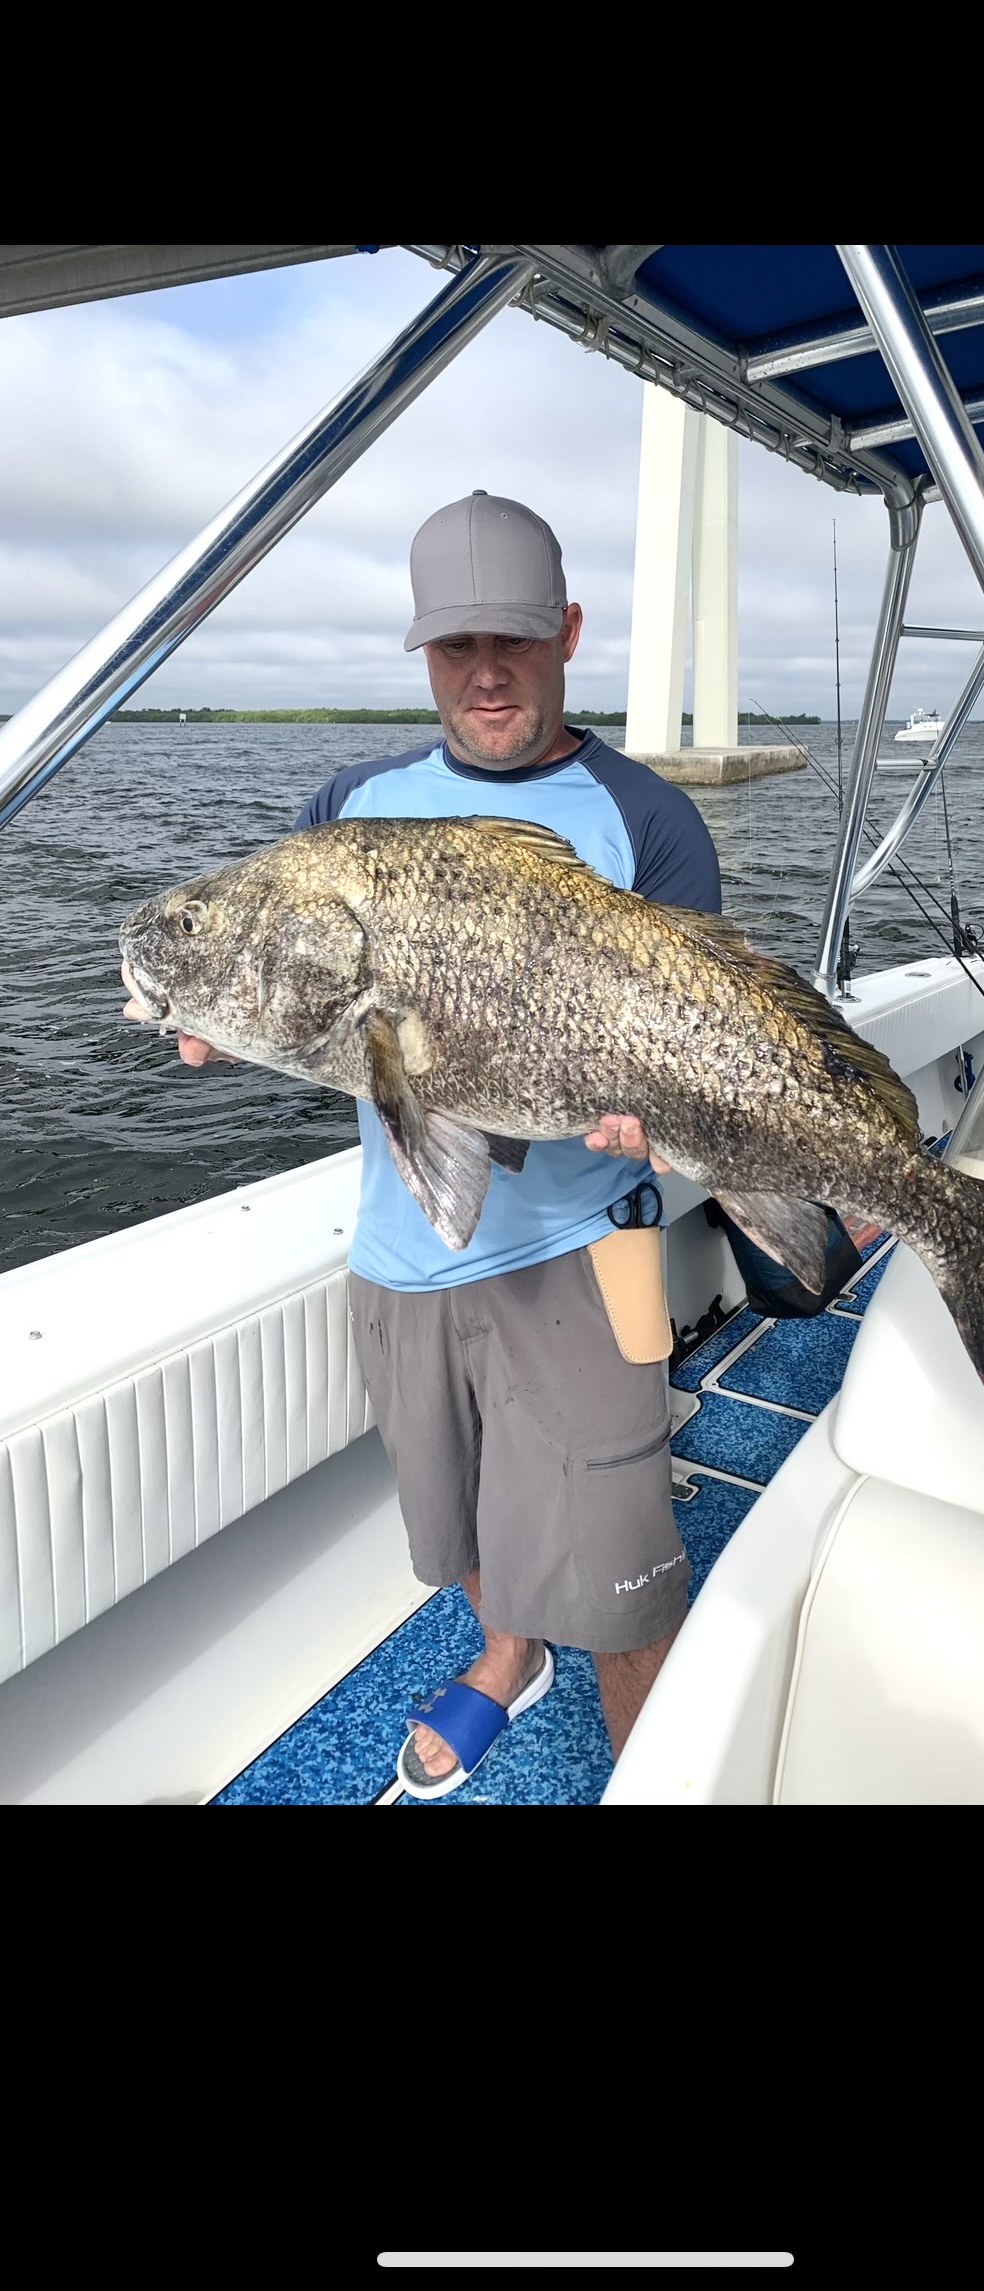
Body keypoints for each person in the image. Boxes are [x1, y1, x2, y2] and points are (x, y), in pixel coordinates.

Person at [125, 491, 721, 1799]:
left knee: (624, 1575)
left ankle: (660, 1766)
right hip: (405, 1241)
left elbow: (696, 1026)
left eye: (512, 637)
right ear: (422, 654)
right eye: (455, 646)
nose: (487, 671)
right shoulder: (349, 804)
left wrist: (663, 1113)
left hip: (583, 1247)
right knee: (449, 1516)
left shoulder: (647, 819)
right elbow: (332, 1009)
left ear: (566, 631)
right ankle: (509, 1652)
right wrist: (225, 1020)